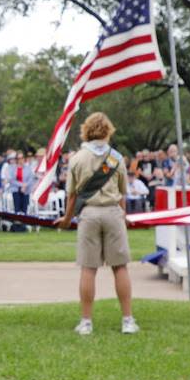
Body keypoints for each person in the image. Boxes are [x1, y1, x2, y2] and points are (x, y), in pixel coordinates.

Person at [58, 112, 137, 336]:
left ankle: (86, 322)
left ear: (86, 130)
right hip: (113, 213)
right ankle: (127, 320)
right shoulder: (117, 158)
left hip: (89, 214)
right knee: (120, 267)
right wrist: (124, 215)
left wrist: (65, 219)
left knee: (88, 268)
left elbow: (72, 195)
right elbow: (122, 193)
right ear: (108, 130)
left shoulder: (77, 158)